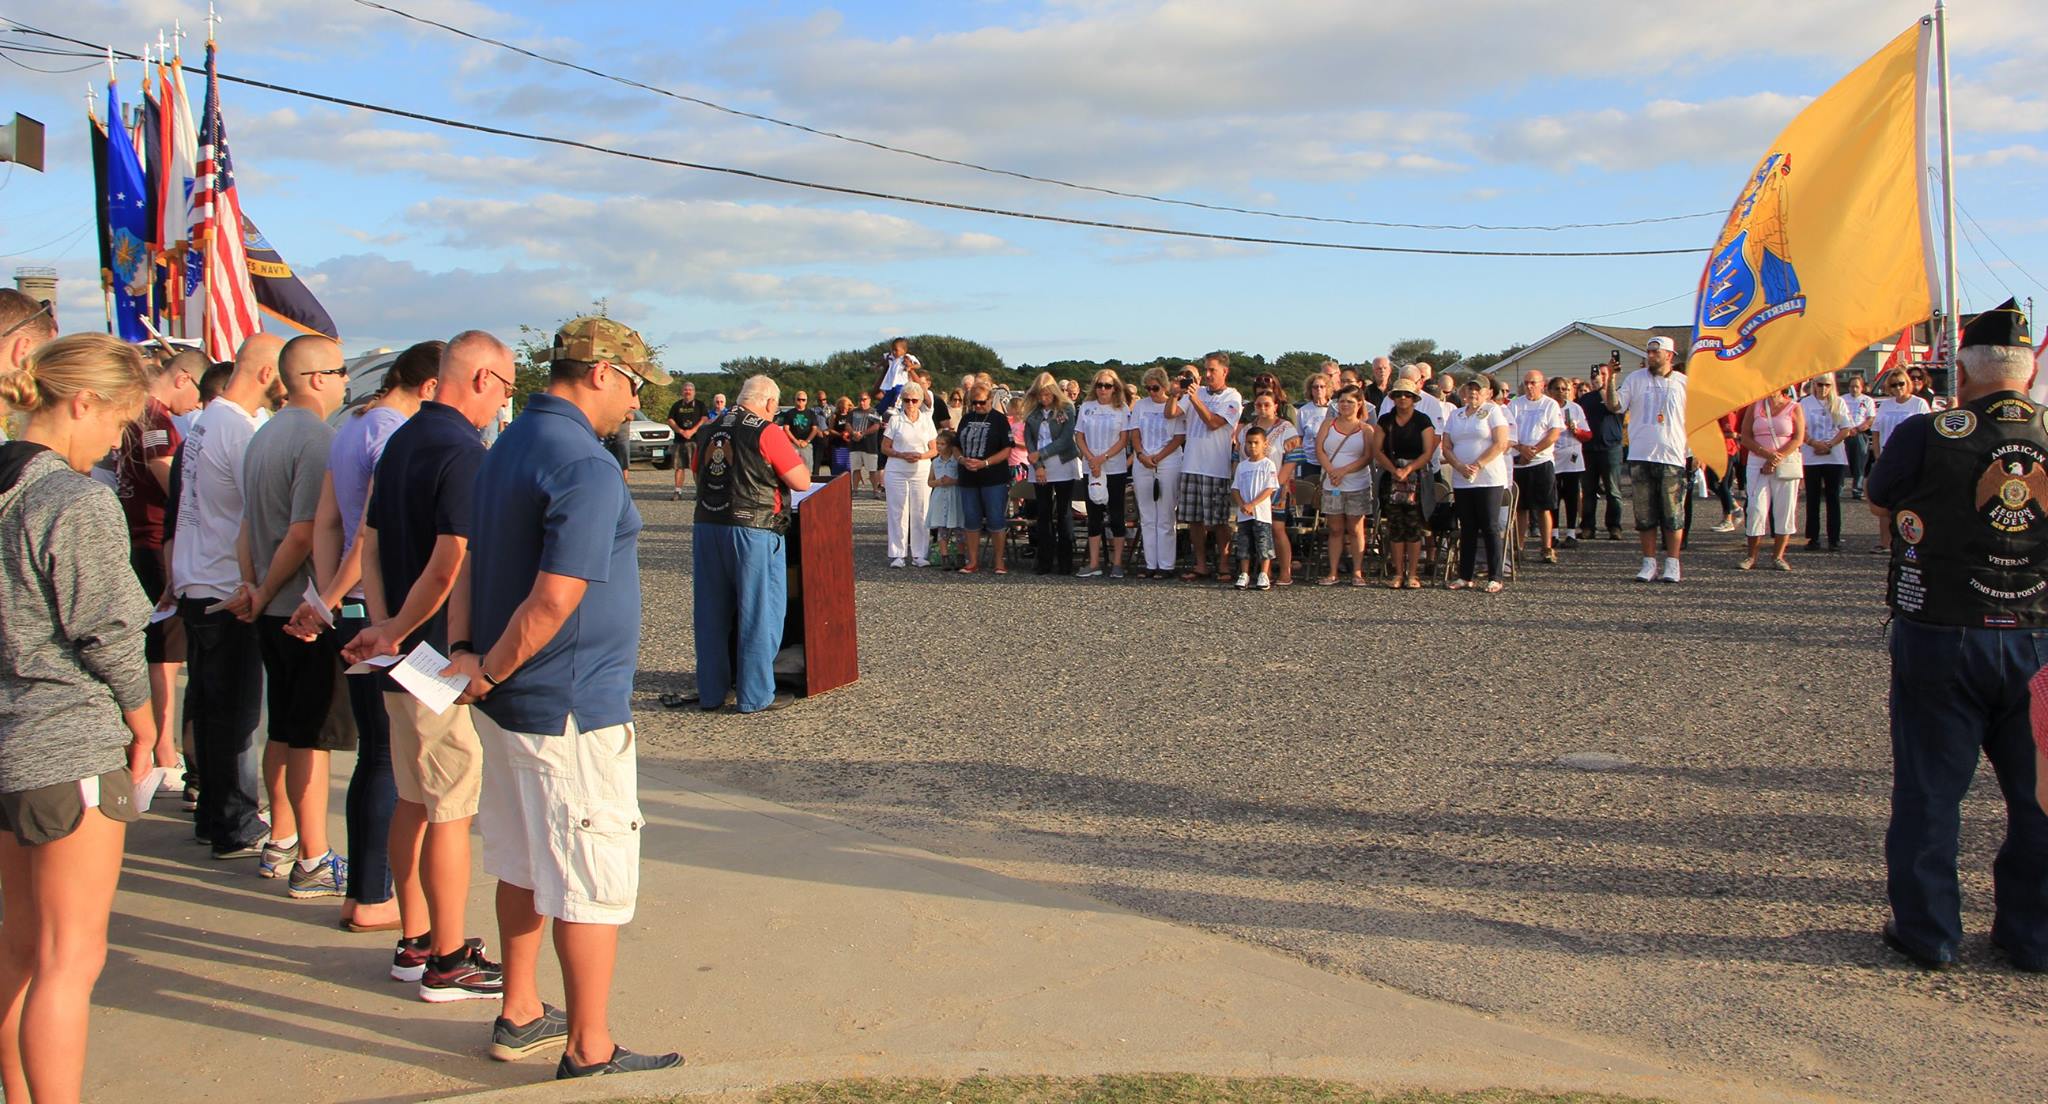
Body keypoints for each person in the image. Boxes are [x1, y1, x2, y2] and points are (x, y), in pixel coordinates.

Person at [450, 315, 683, 1076]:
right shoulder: (583, 463)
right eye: (634, 385)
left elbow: (470, 559)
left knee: (520, 861)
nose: (636, 403)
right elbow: (554, 599)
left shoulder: (509, 442)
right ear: (600, 374)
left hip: (514, 702)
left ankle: (519, 1009)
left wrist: (469, 659)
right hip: (569, 704)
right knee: (590, 874)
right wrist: (490, 668)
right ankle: (589, 1046)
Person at [1867, 298, 2045, 974]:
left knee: (1930, 791)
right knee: (2040, 797)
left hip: (1943, 631)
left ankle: (1929, 931)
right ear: (2028, 374)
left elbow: (1881, 498)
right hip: (2039, 635)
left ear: (1961, 374)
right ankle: (2032, 935)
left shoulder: (1927, 432)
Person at [0, 333, 155, 1104]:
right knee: (70, 957)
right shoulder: (74, 497)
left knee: (20, 949)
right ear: (81, 401)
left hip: (8, 743)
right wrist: (145, 714)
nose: (118, 440)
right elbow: (109, 630)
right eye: (119, 421)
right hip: (70, 740)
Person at [339, 332, 510, 1004]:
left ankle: (415, 937)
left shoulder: (403, 439)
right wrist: (403, 631)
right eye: (504, 387)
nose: (504, 402)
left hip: (399, 653)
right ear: (479, 380)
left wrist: (384, 629)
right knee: (450, 805)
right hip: (436, 655)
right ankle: (445, 954)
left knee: (414, 794)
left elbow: (371, 546)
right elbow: (450, 562)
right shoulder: (463, 453)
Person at [288, 339, 441, 933]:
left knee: (374, 758)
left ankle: (364, 889)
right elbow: (368, 537)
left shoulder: (351, 426)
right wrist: (333, 600)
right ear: (429, 388)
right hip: (379, 610)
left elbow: (328, 522)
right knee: (391, 761)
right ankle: (376, 896)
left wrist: (326, 597)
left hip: (348, 607)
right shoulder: (391, 434)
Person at [236, 335, 353, 897]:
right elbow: (304, 530)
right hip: (298, 609)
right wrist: (270, 591)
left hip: (268, 602)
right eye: (339, 370)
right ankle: (313, 855)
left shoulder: (263, 436)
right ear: (312, 379)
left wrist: (253, 586)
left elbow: (245, 528)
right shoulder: (315, 439)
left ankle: (281, 838)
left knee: (282, 726)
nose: (345, 381)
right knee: (312, 737)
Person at [174, 333, 283, 860]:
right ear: (266, 374)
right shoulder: (237, 429)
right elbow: (255, 512)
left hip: (200, 579)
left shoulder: (204, 422)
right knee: (236, 714)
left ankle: (213, 812)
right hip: (225, 584)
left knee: (214, 706)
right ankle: (234, 822)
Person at [691, 373, 812, 714]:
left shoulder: (709, 428)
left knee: (711, 613)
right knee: (760, 612)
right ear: (770, 403)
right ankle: (756, 694)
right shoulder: (766, 430)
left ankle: (712, 691)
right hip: (754, 528)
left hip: (708, 525)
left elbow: (698, 468)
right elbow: (801, 480)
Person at [113, 349, 201, 799]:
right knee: (165, 656)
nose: (198, 406)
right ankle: (163, 750)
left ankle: (156, 746)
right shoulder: (155, 421)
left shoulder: (133, 415)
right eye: (198, 394)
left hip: (136, 539)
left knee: (156, 652)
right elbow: (168, 479)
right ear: (183, 378)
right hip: (151, 542)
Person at [1602, 337, 1688, 582]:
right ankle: (1649, 562)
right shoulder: (1635, 379)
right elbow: (1614, 406)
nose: (1650, 356)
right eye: (1648, 351)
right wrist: (1611, 379)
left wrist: (1694, 453)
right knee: (1644, 514)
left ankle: (1673, 563)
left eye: (1655, 352)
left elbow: (1694, 421)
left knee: (1673, 514)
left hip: (1672, 456)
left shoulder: (1684, 383)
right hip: (1641, 455)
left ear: (1669, 355)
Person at [1171, 354, 1243, 582]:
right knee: (1194, 519)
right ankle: (1200, 563)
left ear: (1225, 372)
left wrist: (1193, 398)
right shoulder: (1197, 392)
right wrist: (1174, 394)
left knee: (1219, 520)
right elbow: (1171, 414)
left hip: (1215, 467)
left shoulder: (1233, 397)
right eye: (1206, 370)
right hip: (1191, 463)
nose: (1208, 375)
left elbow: (1213, 423)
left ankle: (1223, 563)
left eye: (1212, 370)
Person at [1441, 375, 1512, 592]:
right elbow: (1446, 445)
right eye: (1470, 389)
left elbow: (1501, 442)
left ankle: (1495, 576)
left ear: (1488, 393)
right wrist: (1460, 466)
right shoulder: (1456, 414)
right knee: (1468, 527)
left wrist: (1478, 464)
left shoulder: (1493, 411)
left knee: (1490, 526)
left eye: (1478, 390)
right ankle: (1465, 575)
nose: (1473, 393)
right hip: (1463, 480)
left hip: (1488, 478)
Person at [1374, 377, 1438, 589]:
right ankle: (1398, 573)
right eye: (1399, 394)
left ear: (1414, 398)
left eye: (1407, 395)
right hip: (1391, 476)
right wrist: (1394, 470)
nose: (1403, 398)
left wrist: (1408, 469)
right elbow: (1377, 450)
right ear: (1392, 397)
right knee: (1395, 527)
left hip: (1416, 477)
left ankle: (1413, 574)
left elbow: (1428, 452)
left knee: (1413, 527)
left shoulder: (1422, 420)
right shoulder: (1385, 420)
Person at [1736, 386, 1805, 571]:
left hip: (1785, 462)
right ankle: (1751, 556)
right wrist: (1766, 455)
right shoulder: (1755, 406)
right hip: (1757, 461)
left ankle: (1778, 556)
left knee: (1785, 508)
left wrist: (1776, 458)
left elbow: (1798, 438)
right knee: (1756, 508)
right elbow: (1746, 436)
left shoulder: (1794, 407)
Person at [1127, 367, 1186, 579]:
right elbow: (1135, 433)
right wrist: (1141, 454)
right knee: (1147, 514)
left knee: (1166, 514)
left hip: (1168, 461)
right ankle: (1150, 562)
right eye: (1148, 388)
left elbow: (1179, 437)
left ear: (1164, 386)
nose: (1152, 392)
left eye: (1155, 388)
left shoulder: (1174, 406)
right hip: (1143, 461)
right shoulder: (1141, 406)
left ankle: (1166, 564)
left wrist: (1159, 457)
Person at [1315, 387, 1375, 586]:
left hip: (1357, 484)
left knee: (1356, 528)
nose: (1345, 405)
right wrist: (1331, 470)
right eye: (1342, 401)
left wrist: (1344, 471)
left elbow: (1367, 456)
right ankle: (1333, 572)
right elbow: (1320, 449)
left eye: (1350, 401)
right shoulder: (1327, 424)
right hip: (1332, 484)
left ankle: (1357, 572)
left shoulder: (1366, 430)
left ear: (1359, 404)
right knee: (1335, 529)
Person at [1075, 370, 1132, 578]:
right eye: (1100, 385)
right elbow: (1079, 436)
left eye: (1107, 386)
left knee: (1116, 514)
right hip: (1091, 468)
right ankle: (1093, 563)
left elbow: (1124, 440)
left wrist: (1102, 458)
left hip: (1114, 467)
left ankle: (1117, 563)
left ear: (1115, 388)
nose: (1103, 390)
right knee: (1094, 516)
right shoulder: (1087, 408)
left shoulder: (1122, 409)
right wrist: (1091, 458)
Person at [1023, 372, 1081, 576]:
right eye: (1040, 395)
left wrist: (1043, 453)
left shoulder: (1066, 409)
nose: (1044, 399)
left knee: (1064, 513)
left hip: (1062, 463)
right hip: (1039, 467)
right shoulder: (1033, 413)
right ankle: (1045, 560)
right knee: (1043, 513)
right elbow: (1029, 439)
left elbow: (1066, 439)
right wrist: (1038, 463)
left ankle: (1066, 561)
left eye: (1047, 394)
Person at [954, 381, 1014, 575]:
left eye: (981, 402)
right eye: (974, 403)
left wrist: (985, 463)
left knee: (996, 519)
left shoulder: (999, 419)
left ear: (990, 400)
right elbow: (955, 445)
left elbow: (1007, 449)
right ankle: (972, 561)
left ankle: (999, 561)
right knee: (971, 519)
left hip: (993, 477)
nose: (977, 406)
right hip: (968, 476)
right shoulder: (966, 418)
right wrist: (962, 459)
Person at [1870, 368, 1932, 554]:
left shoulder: (1919, 404)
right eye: (1894, 384)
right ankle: (1885, 542)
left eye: (1901, 384)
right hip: (1887, 457)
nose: (1898, 388)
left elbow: (1927, 432)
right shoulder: (1886, 405)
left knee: (1910, 502)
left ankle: (1911, 541)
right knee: (1885, 502)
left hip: (1911, 457)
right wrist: (1878, 456)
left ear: (1908, 384)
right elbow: (1876, 431)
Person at [1506, 370, 1565, 565]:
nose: (1529, 387)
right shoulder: (1515, 404)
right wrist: (1521, 449)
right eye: (1526, 383)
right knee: (1520, 508)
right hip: (1520, 462)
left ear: (1542, 384)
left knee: (1544, 507)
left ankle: (1546, 547)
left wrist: (1534, 450)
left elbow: (1554, 433)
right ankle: (1519, 547)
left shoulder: (1549, 404)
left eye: (1533, 383)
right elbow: (1508, 432)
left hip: (1541, 461)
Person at [1239, 392, 1298, 585]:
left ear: (1275, 406)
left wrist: (1276, 487)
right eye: (1258, 405)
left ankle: (1285, 571)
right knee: (1252, 529)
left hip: (1276, 486)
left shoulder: (1286, 428)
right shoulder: (1248, 428)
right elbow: (1236, 455)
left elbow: (1292, 458)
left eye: (1267, 405)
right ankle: (1262, 572)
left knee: (1276, 528)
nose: (1262, 409)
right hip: (1249, 488)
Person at [881, 382, 938, 568]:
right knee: (898, 512)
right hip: (896, 469)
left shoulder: (927, 420)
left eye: (914, 400)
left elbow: (934, 449)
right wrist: (900, 454)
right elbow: (885, 447)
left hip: (920, 470)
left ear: (920, 401)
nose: (911, 404)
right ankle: (898, 554)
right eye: (907, 400)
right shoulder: (895, 420)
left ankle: (920, 554)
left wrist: (920, 456)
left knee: (921, 511)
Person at [1799, 373, 1853, 552]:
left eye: (1827, 385)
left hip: (1834, 454)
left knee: (1833, 498)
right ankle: (1813, 537)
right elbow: (1800, 429)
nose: (1823, 389)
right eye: (1820, 385)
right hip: (1812, 454)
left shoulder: (1839, 403)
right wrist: (1814, 443)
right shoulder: (1805, 403)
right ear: (1814, 385)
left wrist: (1829, 444)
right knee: (1813, 498)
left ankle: (1834, 537)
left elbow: (1845, 429)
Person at [1578, 360, 1627, 539]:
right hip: (1589, 449)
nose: (1600, 378)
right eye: (1598, 375)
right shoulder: (1586, 399)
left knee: (1613, 491)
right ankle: (1588, 526)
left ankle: (1614, 526)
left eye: (1605, 375)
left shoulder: (1618, 396)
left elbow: (1612, 407)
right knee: (1589, 490)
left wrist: (1601, 389)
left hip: (1611, 448)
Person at [1230, 426, 1279, 590]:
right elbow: (1235, 488)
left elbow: (1269, 488)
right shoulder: (1242, 466)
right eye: (1249, 443)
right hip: (1245, 514)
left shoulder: (1268, 464)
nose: (1252, 446)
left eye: (1256, 443)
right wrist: (1242, 504)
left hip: (1261, 514)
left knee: (1263, 543)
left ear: (1264, 444)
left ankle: (1264, 573)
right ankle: (1244, 573)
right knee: (1244, 544)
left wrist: (1253, 503)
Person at [1545, 376, 1591, 547]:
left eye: (1564, 389)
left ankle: (1571, 532)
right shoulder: (1547, 407)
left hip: (1572, 456)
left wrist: (1576, 430)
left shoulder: (1575, 408)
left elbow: (1587, 434)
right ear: (1550, 391)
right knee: (1554, 496)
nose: (1561, 392)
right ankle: (1554, 532)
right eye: (1557, 389)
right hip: (1553, 455)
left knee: (1571, 495)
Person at [927, 430, 963, 568]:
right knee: (942, 527)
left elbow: (962, 479)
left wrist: (953, 481)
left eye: (943, 444)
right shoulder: (935, 462)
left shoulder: (956, 461)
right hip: (940, 496)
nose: (939, 447)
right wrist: (939, 482)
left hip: (954, 495)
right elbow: (930, 481)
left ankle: (960, 555)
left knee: (958, 526)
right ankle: (944, 556)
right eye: (938, 444)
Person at [664, 382, 706, 499]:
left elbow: (704, 418)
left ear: (694, 392)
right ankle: (678, 491)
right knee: (679, 467)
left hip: (695, 440)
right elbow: (670, 420)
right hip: (680, 440)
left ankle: (699, 492)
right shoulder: (676, 405)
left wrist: (692, 431)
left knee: (696, 467)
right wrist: (681, 431)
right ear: (682, 392)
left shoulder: (700, 405)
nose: (688, 392)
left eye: (690, 390)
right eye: (685, 390)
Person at [1293, 374, 1332, 485]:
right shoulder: (1303, 411)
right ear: (1310, 390)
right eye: (1315, 387)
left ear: (1327, 388)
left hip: (1331, 460)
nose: (1319, 389)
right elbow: (1299, 437)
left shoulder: (1335, 408)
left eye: (1322, 386)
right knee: (1309, 497)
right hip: (1310, 461)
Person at [1844, 373, 1876, 500]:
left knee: (1859, 462)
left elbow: (1870, 418)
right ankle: (1839, 488)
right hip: (1843, 433)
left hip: (1859, 434)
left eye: (1857, 386)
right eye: (1852, 386)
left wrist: (1858, 429)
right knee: (1842, 463)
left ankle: (1857, 489)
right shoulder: (1842, 399)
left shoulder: (1867, 400)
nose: (1854, 389)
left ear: (1862, 387)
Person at [776, 390, 823, 479]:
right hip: (793, 444)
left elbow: (815, 429)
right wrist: (795, 441)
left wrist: (807, 441)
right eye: (799, 399)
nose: (801, 402)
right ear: (795, 400)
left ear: (806, 401)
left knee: (807, 467)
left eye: (803, 400)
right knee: (792, 467)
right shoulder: (789, 413)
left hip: (807, 444)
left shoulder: (811, 413)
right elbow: (786, 428)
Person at [847, 393, 882, 498]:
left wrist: (863, 433)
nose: (862, 402)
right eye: (860, 400)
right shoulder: (853, 412)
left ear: (869, 400)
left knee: (872, 470)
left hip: (869, 446)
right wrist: (853, 433)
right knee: (856, 469)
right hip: (855, 445)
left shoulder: (873, 412)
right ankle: (855, 490)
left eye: (864, 399)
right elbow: (847, 424)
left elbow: (876, 426)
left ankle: (875, 491)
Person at [873, 337, 912, 418]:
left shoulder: (906, 358)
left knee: (898, 395)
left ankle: (895, 408)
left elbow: (918, 364)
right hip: (891, 382)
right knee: (887, 397)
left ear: (903, 351)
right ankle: (879, 412)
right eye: (892, 350)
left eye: (896, 350)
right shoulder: (891, 357)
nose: (894, 352)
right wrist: (878, 366)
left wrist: (910, 366)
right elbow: (884, 361)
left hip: (901, 382)